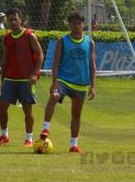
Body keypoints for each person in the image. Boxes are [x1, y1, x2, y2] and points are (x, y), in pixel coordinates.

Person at [39, 11, 97, 153]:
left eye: (79, 23)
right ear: (69, 25)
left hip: (81, 84)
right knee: (53, 96)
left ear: (83, 24)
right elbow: (56, 62)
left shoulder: (90, 42)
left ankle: (73, 145)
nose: (77, 26)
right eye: (73, 23)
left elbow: (92, 64)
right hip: (63, 80)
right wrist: (54, 82)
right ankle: (45, 128)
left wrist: (93, 86)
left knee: (76, 115)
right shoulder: (62, 41)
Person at [0, 9, 44, 148]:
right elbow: (4, 59)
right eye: (10, 19)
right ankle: (4, 136)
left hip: (25, 79)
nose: (13, 22)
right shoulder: (7, 37)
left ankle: (29, 139)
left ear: (20, 20)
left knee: (27, 110)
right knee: (2, 106)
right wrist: (2, 78)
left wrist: (34, 73)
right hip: (10, 78)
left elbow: (40, 55)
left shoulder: (29, 35)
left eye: (15, 19)